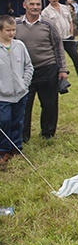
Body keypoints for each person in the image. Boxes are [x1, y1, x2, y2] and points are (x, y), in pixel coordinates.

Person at [15, 0, 67, 142]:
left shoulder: (48, 24)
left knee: (49, 104)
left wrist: (62, 69)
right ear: (25, 6)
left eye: (38, 4)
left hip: (47, 68)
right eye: (32, 4)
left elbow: (58, 47)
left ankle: (48, 134)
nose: (35, 7)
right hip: (24, 71)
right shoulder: (16, 24)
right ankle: (23, 137)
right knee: (24, 105)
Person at [0, 15, 33, 170]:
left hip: (20, 93)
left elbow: (28, 66)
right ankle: (3, 150)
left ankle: (16, 148)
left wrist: (24, 84)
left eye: (13, 30)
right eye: (8, 30)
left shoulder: (19, 45)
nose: (12, 33)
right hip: (3, 96)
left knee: (18, 121)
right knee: (4, 121)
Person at [41, 0, 78, 78]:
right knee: (57, 58)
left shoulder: (65, 8)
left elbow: (70, 21)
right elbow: (46, 26)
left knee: (75, 56)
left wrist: (71, 32)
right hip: (56, 39)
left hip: (68, 37)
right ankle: (59, 74)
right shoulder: (45, 12)